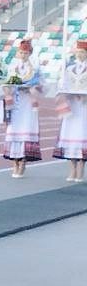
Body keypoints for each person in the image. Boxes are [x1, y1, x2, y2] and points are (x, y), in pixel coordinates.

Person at [0, 38, 42, 177]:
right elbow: (9, 83)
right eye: (21, 53)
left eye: (25, 53)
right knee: (13, 130)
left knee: (26, 130)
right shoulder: (13, 67)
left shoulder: (35, 68)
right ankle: (14, 162)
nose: (23, 55)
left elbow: (42, 86)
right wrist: (8, 88)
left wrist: (32, 88)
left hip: (28, 103)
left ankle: (23, 162)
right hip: (16, 103)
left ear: (30, 53)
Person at [54, 38, 87, 182]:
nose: (79, 54)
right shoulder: (68, 69)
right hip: (72, 106)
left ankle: (81, 169)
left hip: (84, 107)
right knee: (71, 136)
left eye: (82, 52)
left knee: (82, 135)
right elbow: (63, 85)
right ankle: (72, 169)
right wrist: (64, 91)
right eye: (78, 52)